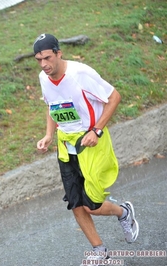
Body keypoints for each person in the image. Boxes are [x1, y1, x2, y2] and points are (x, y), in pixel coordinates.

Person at [33, 33, 139, 262]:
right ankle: (100, 252)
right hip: (65, 147)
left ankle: (124, 212)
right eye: (39, 60)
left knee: (91, 205)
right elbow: (52, 106)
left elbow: (114, 97)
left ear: (59, 53)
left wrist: (97, 130)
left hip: (91, 144)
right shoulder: (44, 77)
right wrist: (49, 134)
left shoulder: (80, 74)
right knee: (75, 203)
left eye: (48, 58)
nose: (44, 64)